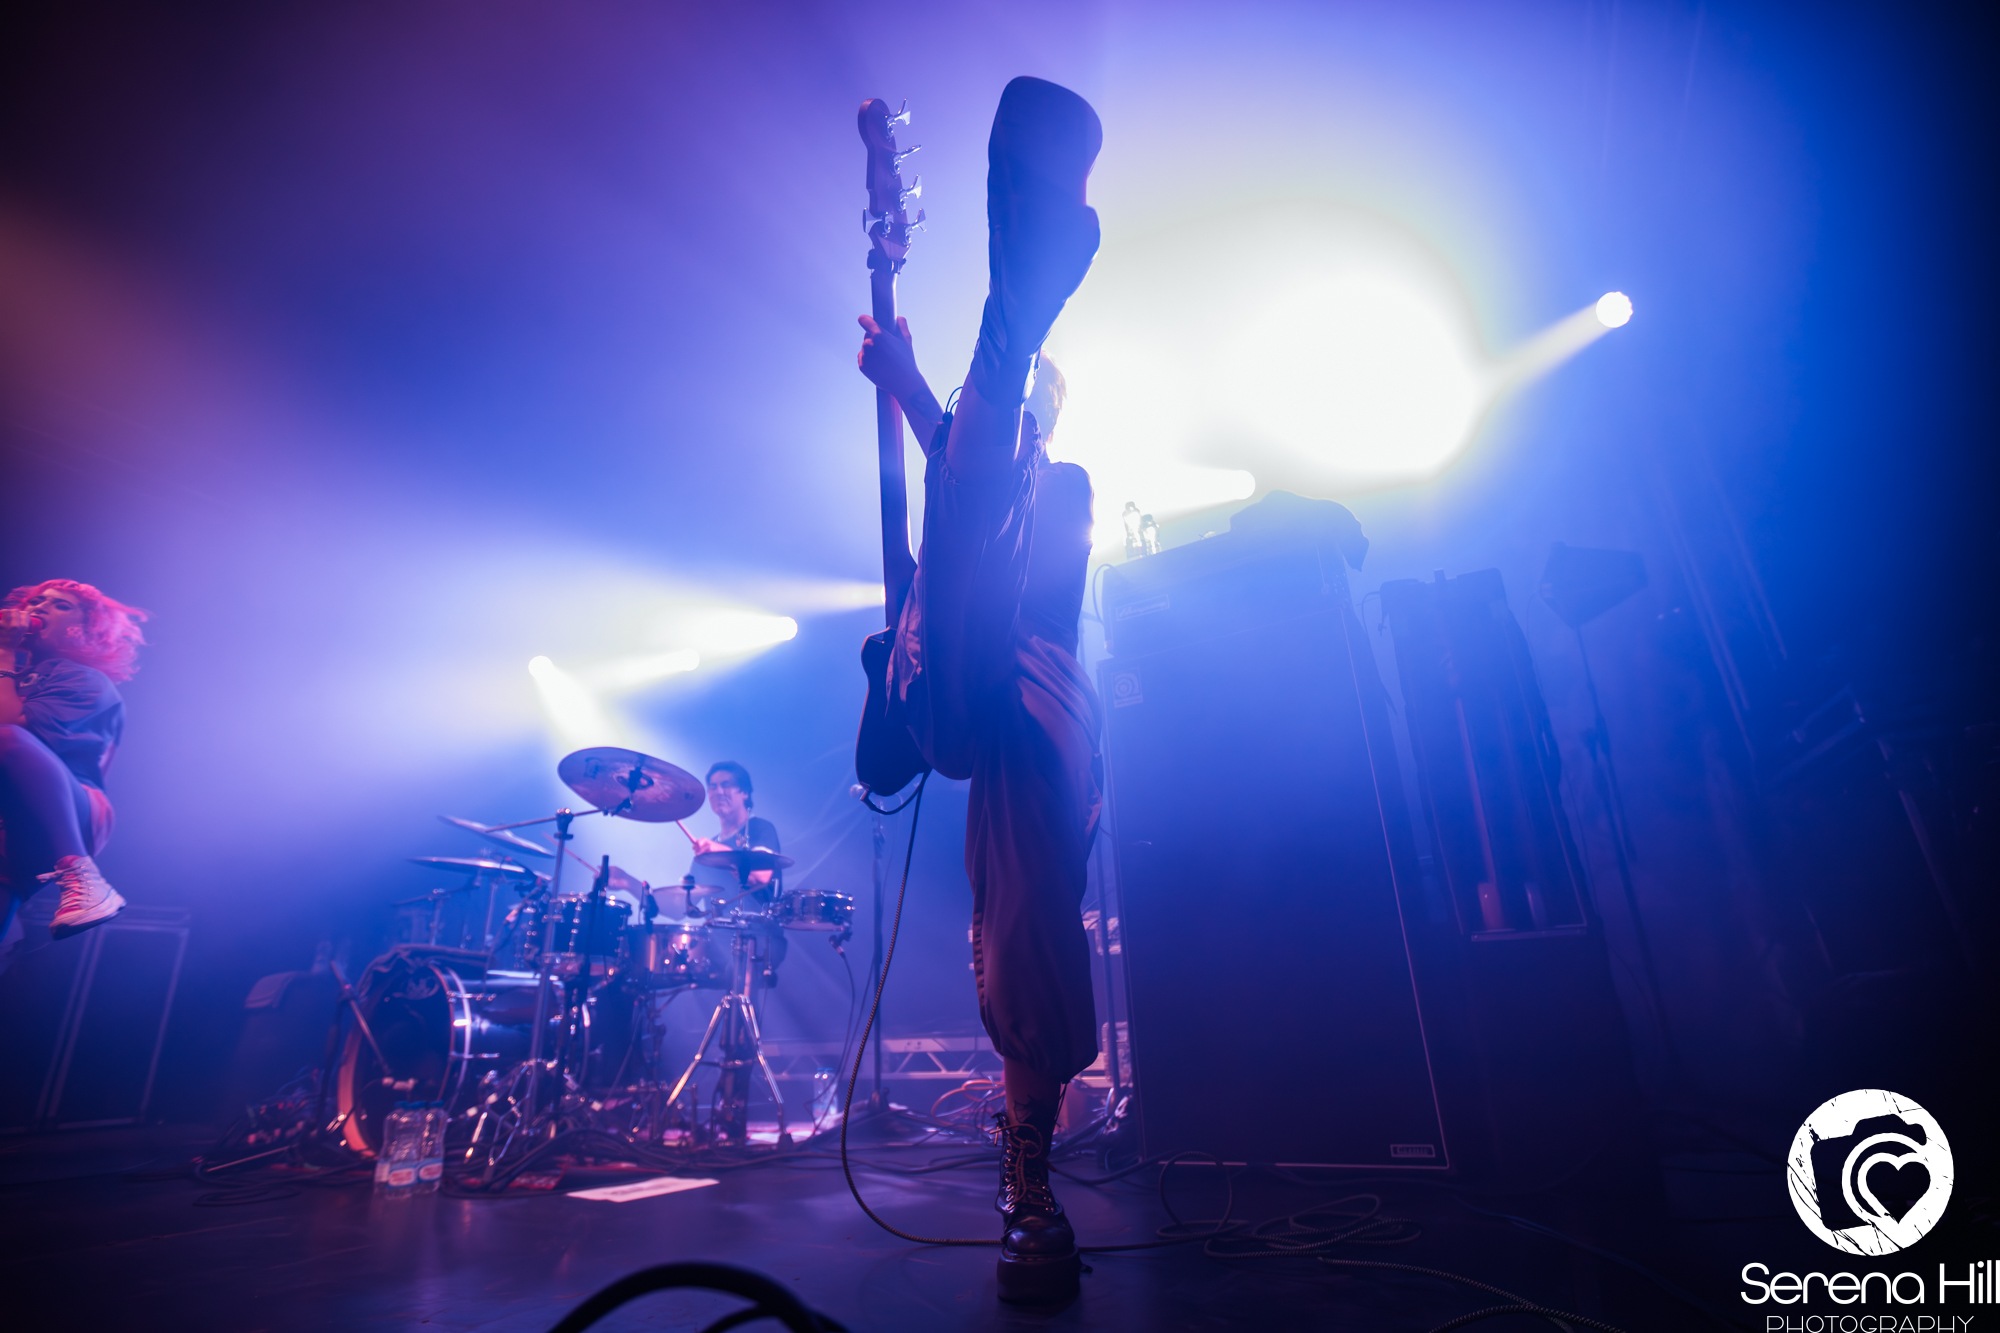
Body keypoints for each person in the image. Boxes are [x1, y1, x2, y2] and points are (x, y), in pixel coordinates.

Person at [855, 75, 1104, 1304]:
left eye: (1022, 406)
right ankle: (1018, 297)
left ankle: (1027, 1181)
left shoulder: (1060, 491)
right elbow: (960, 493)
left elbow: (984, 496)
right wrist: (910, 386)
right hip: (957, 676)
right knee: (963, 477)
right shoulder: (975, 475)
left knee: (1023, 943)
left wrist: (910, 388)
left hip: (1026, 707)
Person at [0, 579, 147, 942]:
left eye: (60, 605)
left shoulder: (84, 679)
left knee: (7, 736)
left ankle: (80, 872)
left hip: (69, 811)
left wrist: (4, 650)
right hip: (10, 822)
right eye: (36, 600)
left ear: (84, 629)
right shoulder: (15, 677)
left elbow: (10, 728)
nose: (39, 607)